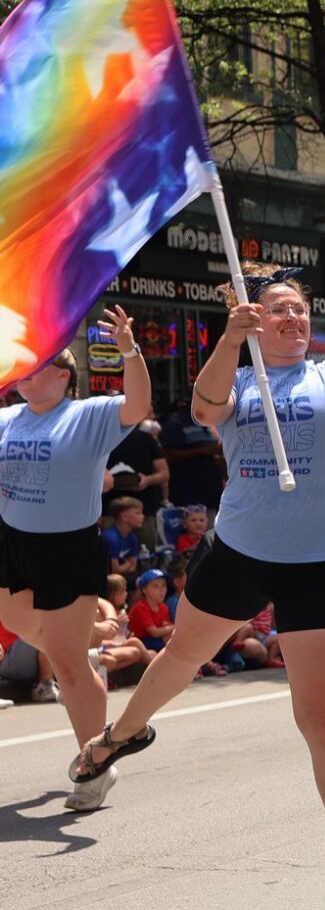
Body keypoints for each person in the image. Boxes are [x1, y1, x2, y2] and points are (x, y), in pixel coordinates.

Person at [70, 181, 325, 910]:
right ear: (257, 321)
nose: (294, 317)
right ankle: (117, 735)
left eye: (301, 310)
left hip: (314, 565)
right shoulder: (238, 377)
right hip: (239, 550)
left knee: (321, 725)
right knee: (176, 658)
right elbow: (203, 411)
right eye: (279, 310)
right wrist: (230, 336)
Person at [0, 310, 151, 812]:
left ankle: (95, 766)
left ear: (63, 375)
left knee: (65, 664)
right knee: (18, 623)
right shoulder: (5, 419)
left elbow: (139, 403)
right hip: (10, 543)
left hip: (67, 548)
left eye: (34, 367)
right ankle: (78, 659)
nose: (22, 374)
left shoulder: (88, 415)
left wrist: (129, 348)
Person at [103, 408, 169, 543]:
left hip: (143, 509)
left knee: (147, 554)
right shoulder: (101, 440)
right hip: (110, 509)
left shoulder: (146, 439)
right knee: (111, 556)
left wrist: (146, 480)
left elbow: (164, 474)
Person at [127, 568, 175, 652]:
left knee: (175, 635)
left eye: (164, 585)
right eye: (155, 586)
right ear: (144, 590)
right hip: (139, 641)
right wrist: (177, 626)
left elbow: (165, 625)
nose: (161, 590)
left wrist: (169, 626)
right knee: (173, 636)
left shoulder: (164, 607)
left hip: (154, 640)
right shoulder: (140, 607)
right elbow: (155, 633)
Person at [101, 496, 146, 581]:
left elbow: (133, 567)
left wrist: (125, 566)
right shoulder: (111, 538)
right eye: (138, 513)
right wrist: (127, 565)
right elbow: (114, 571)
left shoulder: (133, 537)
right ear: (124, 517)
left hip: (123, 576)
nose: (143, 516)